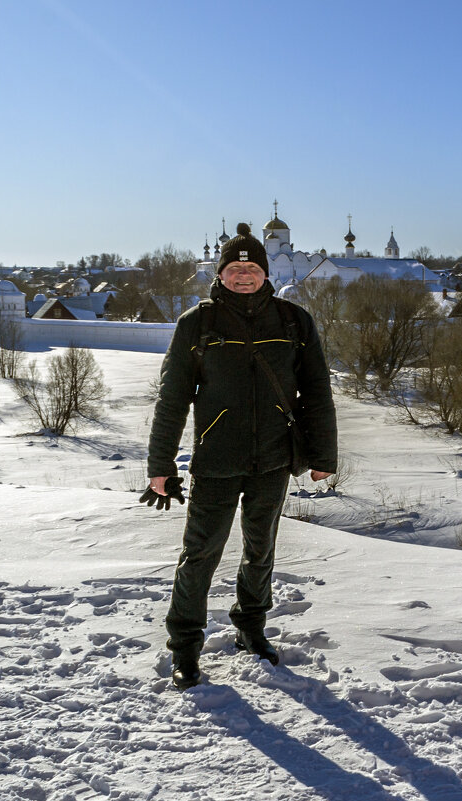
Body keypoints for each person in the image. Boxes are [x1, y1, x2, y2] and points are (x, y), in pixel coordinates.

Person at [144, 222, 337, 690]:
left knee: (261, 551)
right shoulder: (198, 323)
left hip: (274, 459)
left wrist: (323, 454)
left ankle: (251, 628)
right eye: (235, 268)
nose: (244, 276)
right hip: (216, 460)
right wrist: (160, 466)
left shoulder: (293, 321)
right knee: (200, 556)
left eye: (251, 268)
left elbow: (316, 391)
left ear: (265, 272)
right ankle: (185, 648)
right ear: (221, 274)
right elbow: (172, 399)